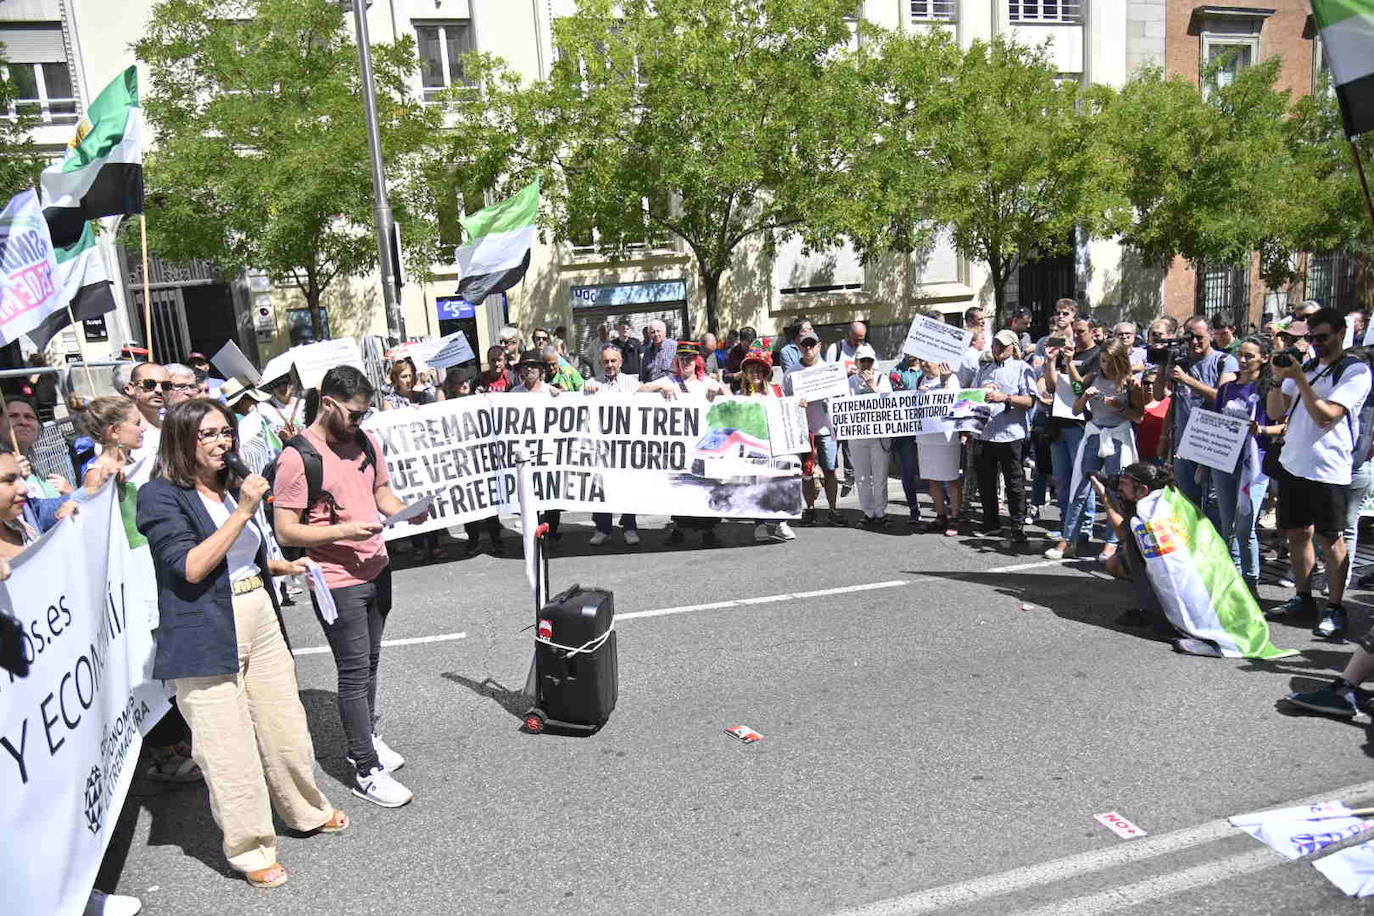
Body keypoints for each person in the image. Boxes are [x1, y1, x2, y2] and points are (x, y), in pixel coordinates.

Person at [136, 398, 346, 887]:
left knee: (284, 725)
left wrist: (281, 565)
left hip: (258, 613)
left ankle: (305, 809)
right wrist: (247, 509)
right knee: (227, 747)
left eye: (225, 432)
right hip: (205, 627)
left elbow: (243, 556)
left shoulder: (228, 487)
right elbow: (190, 566)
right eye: (206, 434)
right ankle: (251, 849)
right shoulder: (160, 496)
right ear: (181, 441)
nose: (221, 442)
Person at [273, 366, 426, 809]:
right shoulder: (297, 457)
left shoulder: (365, 441)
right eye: (354, 414)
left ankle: (368, 737)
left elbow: (382, 493)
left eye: (365, 414)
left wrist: (405, 511)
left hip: (376, 567)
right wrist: (342, 533)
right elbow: (287, 531)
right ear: (328, 403)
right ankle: (364, 767)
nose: (361, 422)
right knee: (354, 672)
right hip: (336, 580)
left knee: (371, 662)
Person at [1265, 308, 1371, 640]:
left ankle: (1336, 607)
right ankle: (1303, 597)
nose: (1315, 344)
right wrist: (1276, 378)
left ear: (1341, 333)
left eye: (1322, 337)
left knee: (1331, 539)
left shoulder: (1355, 371)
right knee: (1297, 533)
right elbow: (1274, 412)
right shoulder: (1308, 366)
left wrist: (1299, 380)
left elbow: (1326, 416)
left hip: (1328, 469)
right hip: (1294, 464)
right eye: (1311, 338)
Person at [1052, 340, 1143, 562]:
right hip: (1094, 433)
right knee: (1080, 487)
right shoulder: (1093, 377)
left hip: (1118, 436)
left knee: (1115, 491)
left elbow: (1139, 415)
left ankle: (1112, 543)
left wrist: (1118, 406)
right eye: (1103, 361)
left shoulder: (1129, 383)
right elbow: (1075, 409)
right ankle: (1069, 539)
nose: (1106, 366)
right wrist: (1085, 396)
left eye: (1111, 362)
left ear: (1121, 361)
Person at [1207, 336, 1278, 596]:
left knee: (1245, 526)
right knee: (1228, 525)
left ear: (1264, 358)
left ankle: (1251, 581)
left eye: (1250, 356)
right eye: (1242, 355)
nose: (1244, 360)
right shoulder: (1227, 387)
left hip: (1254, 465)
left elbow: (1284, 423)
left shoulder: (1269, 388)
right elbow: (1213, 422)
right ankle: (1232, 578)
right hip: (1224, 460)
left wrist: (1262, 429)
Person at [1153, 315, 1238, 512]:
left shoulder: (1225, 361)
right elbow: (1160, 396)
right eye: (1189, 337)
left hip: (1212, 443)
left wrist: (1186, 379)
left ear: (1211, 334)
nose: (1194, 342)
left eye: (1199, 337)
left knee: (1213, 505)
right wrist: (1162, 365)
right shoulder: (1180, 363)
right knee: (1187, 503)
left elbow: (1222, 398)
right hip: (1183, 443)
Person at [1041, 316, 1101, 554]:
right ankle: (1067, 524)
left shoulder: (1097, 356)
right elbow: (1052, 386)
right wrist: (1051, 362)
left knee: (1082, 480)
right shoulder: (1069, 352)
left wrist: (1071, 363)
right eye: (1073, 332)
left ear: (1093, 331)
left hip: (1081, 424)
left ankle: (1084, 527)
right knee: (1062, 479)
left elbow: (1081, 390)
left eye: (1081, 331)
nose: (1076, 335)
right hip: (1059, 423)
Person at [972, 330, 1037, 544]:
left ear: (1013, 347)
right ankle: (991, 523)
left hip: (1011, 434)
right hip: (985, 433)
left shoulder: (1022, 369)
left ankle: (1017, 524)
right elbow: (971, 397)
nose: (998, 349)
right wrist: (981, 393)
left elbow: (1029, 401)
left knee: (1014, 482)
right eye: (995, 345)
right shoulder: (984, 370)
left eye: (1003, 345)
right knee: (986, 481)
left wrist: (1005, 398)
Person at [782, 330, 845, 527]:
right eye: (804, 345)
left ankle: (833, 509)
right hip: (803, 431)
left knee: (830, 469)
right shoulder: (791, 372)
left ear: (820, 346)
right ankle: (810, 509)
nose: (808, 348)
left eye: (812, 344)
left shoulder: (831, 370)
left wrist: (832, 397)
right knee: (806, 473)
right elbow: (785, 401)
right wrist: (795, 403)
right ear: (798, 347)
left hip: (826, 429)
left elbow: (841, 398)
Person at [585, 345, 641, 547]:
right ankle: (602, 529)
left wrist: (664, 388)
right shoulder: (593, 383)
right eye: (605, 361)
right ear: (600, 363)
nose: (609, 365)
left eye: (613, 361)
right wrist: (587, 387)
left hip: (625, 447)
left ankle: (629, 527)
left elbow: (649, 398)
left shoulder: (632, 384)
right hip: (601, 448)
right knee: (601, 487)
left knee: (627, 486)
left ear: (621, 362)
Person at [738, 349, 796, 542]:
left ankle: (781, 523)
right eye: (751, 370)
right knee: (757, 484)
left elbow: (789, 412)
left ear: (764, 373)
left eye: (758, 370)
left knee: (779, 482)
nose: (755, 373)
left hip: (776, 445)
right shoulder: (741, 396)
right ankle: (760, 524)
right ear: (745, 373)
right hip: (752, 446)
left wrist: (799, 405)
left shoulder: (777, 391)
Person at [846, 344, 892, 527]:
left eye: (869, 361)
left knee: (880, 475)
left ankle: (881, 511)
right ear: (857, 362)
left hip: (879, 437)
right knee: (862, 477)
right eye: (862, 360)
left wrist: (873, 386)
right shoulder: (850, 382)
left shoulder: (882, 378)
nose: (865, 364)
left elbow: (889, 403)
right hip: (858, 437)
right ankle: (868, 511)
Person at [914, 361, 963, 536]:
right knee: (932, 479)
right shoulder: (921, 379)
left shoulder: (952, 378)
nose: (924, 364)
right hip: (926, 439)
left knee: (951, 479)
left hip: (946, 438)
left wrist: (942, 384)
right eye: (922, 361)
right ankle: (941, 515)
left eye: (928, 361)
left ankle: (955, 517)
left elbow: (954, 403)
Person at [888, 353, 924, 525]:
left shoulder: (931, 368)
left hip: (927, 429)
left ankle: (944, 508)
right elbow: (895, 398)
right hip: (905, 431)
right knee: (908, 470)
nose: (911, 354)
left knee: (935, 470)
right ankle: (913, 508)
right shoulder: (896, 372)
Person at [122, 362, 171, 476]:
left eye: (166, 386)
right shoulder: (118, 431)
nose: (159, 390)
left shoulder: (174, 428)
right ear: (130, 388)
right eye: (150, 384)